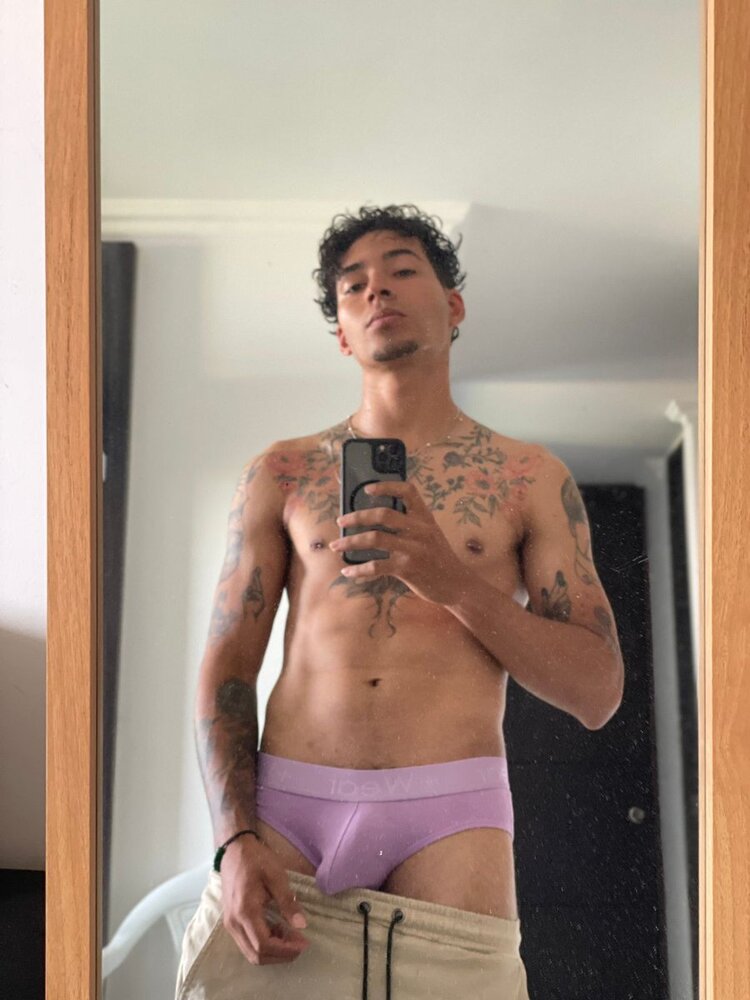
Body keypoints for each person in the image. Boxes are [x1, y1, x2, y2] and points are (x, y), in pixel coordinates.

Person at [175, 204, 625, 999]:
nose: (376, 289)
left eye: (401, 270)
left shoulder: (530, 478)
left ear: (453, 306)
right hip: (286, 814)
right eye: (353, 286)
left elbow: (597, 691)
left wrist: (453, 582)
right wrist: (232, 842)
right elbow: (227, 671)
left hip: (452, 821)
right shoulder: (280, 473)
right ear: (343, 337)